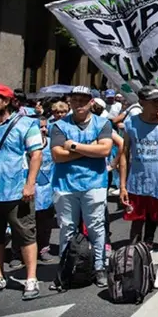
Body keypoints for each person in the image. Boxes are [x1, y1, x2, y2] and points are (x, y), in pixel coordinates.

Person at [50, 86, 113, 288]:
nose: (79, 103)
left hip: (94, 183)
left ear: (91, 102)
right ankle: (65, 270)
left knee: (96, 227)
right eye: (75, 100)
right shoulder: (59, 125)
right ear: (70, 102)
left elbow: (104, 150)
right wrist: (90, 149)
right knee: (66, 228)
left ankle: (99, 267)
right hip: (65, 184)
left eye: (83, 100)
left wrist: (73, 146)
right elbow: (57, 156)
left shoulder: (103, 123)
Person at [0, 84, 43, 300]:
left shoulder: (26, 124)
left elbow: (36, 155)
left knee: (25, 235)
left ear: (7, 101)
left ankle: (31, 278)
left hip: (17, 191)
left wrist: (30, 184)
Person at [119, 86, 158, 289]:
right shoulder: (131, 123)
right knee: (136, 225)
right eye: (154, 101)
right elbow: (125, 155)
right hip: (136, 184)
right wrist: (122, 186)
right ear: (142, 102)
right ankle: (134, 261)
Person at [35, 116, 55, 262]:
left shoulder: (51, 145)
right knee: (25, 225)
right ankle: (18, 253)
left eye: (44, 126)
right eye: (39, 126)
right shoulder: (24, 146)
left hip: (48, 191)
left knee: (45, 224)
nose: (43, 129)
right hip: (29, 190)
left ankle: (43, 249)